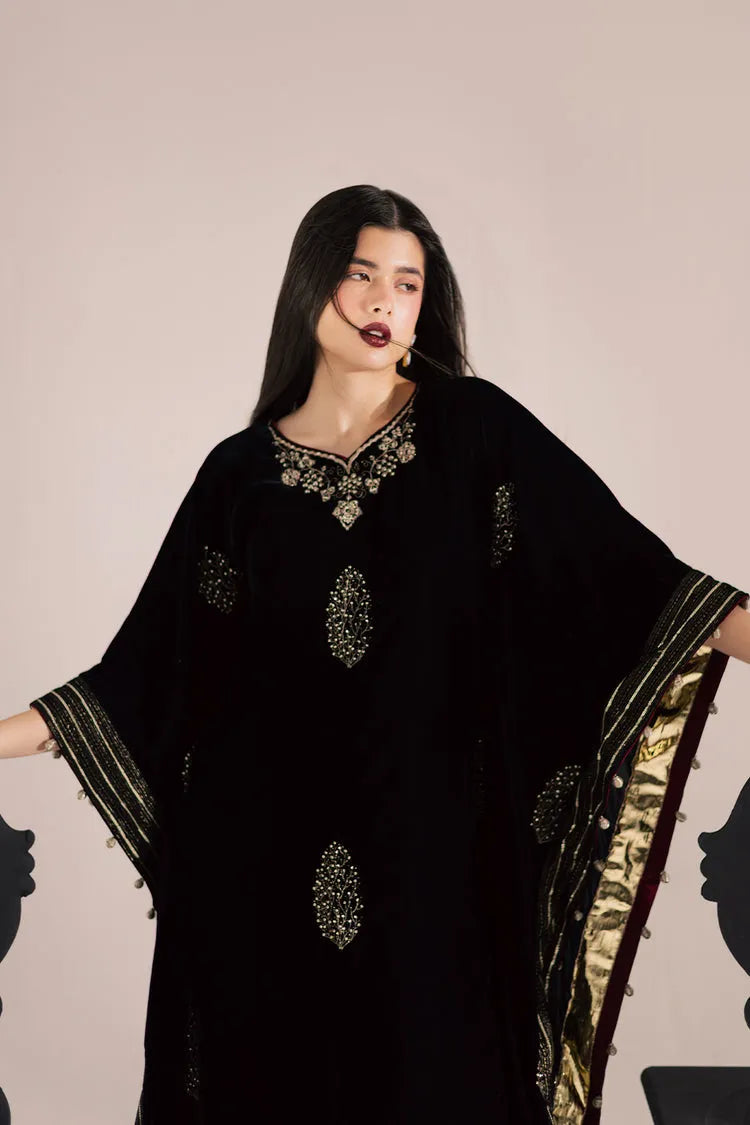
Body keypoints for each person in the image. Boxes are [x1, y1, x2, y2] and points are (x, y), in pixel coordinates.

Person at [2, 184, 749, 1125]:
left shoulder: (475, 431)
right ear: (310, 284)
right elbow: (146, 674)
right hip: (266, 884)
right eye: (361, 275)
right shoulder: (238, 477)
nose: (383, 301)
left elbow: (628, 574)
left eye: (406, 282)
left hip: (440, 873)